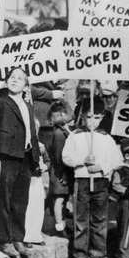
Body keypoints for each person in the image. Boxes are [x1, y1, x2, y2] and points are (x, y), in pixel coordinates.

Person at [0, 67, 41, 258]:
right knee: (5, 198)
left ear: (26, 86)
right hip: (9, 154)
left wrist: (36, 157)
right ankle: (2, 239)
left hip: (25, 156)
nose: (15, 80)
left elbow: (32, 132)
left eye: (20, 79)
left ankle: (17, 237)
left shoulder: (28, 106)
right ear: (6, 83)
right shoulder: (3, 102)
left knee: (20, 200)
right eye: (11, 78)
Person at [62, 96, 123, 258]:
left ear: (102, 117)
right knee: (81, 219)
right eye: (89, 117)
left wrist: (101, 167)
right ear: (82, 116)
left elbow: (116, 160)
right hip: (81, 181)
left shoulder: (106, 138)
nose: (92, 121)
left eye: (97, 117)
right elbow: (66, 157)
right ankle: (80, 254)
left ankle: (97, 253)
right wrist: (83, 160)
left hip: (100, 182)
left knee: (99, 219)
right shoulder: (75, 136)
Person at [44, 101, 72, 237]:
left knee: (62, 198)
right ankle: (59, 227)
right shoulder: (59, 134)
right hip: (60, 172)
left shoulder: (64, 131)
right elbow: (59, 156)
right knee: (59, 198)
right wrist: (63, 173)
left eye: (62, 114)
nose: (60, 118)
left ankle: (61, 223)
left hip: (61, 171)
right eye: (57, 115)